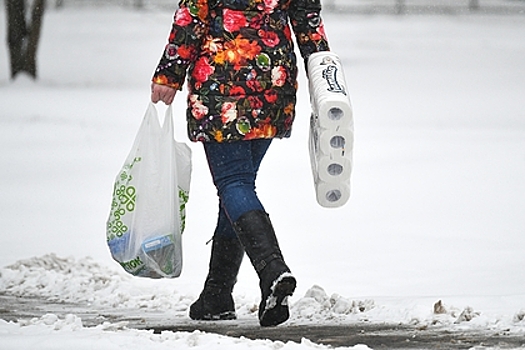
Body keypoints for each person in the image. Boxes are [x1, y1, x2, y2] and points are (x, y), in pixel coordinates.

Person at [151, 0, 330, 327]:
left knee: (234, 183)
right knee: (238, 187)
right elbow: (307, 18)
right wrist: (323, 72)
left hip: (223, 81)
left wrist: (168, 74)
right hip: (273, 79)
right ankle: (217, 294)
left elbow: (192, 15)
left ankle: (272, 270)